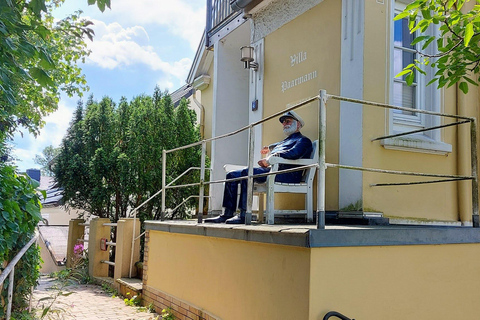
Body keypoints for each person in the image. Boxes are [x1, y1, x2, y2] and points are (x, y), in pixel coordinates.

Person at [204, 110, 313, 224]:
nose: (285, 124)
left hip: (287, 174)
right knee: (231, 175)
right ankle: (227, 214)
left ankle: (244, 214)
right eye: (283, 122)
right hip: (272, 172)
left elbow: (294, 153)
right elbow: (276, 147)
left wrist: (270, 158)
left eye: (288, 121)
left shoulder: (303, 140)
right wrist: (269, 149)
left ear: (298, 124)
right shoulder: (283, 142)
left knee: (248, 173)